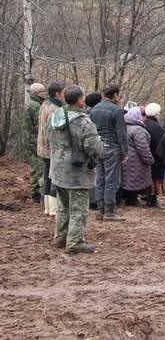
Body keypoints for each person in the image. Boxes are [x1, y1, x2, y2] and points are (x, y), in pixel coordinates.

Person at [47, 85, 103, 254]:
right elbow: (94, 148)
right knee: (78, 210)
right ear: (79, 99)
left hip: (57, 169)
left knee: (63, 207)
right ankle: (75, 242)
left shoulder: (54, 115)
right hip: (77, 174)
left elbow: (47, 136)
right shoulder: (83, 121)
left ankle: (60, 238)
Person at [89, 85, 128, 221]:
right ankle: (110, 212)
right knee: (111, 181)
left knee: (100, 179)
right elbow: (122, 133)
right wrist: (125, 151)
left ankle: (100, 210)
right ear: (115, 95)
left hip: (97, 147)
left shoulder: (94, 109)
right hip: (112, 148)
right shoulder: (117, 110)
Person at [37, 81, 65, 216]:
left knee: (47, 177)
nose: (64, 95)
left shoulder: (44, 104)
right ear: (57, 93)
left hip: (43, 147)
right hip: (51, 149)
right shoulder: (55, 109)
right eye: (63, 92)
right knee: (53, 179)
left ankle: (48, 208)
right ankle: (53, 209)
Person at [121, 107, 154, 206]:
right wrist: (150, 159)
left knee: (127, 179)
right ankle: (132, 200)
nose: (144, 118)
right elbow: (143, 148)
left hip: (124, 159)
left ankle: (128, 198)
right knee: (134, 180)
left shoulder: (123, 126)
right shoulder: (138, 130)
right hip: (136, 161)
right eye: (142, 115)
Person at [24, 83, 47, 203]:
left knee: (34, 167)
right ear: (37, 93)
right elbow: (40, 126)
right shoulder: (36, 106)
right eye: (43, 91)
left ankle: (35, 193)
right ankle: (40, 194)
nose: (45, 93)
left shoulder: (30, 103)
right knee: (40, 167)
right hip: (36, 140)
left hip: (30, 139)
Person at [143, 103, 165, 208]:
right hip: (154, 157)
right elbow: (160, 144)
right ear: (156, 114)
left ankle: (148, 198)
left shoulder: (144, 123)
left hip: (144, 156)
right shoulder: (156, 127)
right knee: (155, 178)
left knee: (149, 178)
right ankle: (152, 200)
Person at [84, 91, 102, 210]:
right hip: (93, 147)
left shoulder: (86, 114)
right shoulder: (93, 115)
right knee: (95, 174)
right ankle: (94, 201)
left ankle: (91, 200)